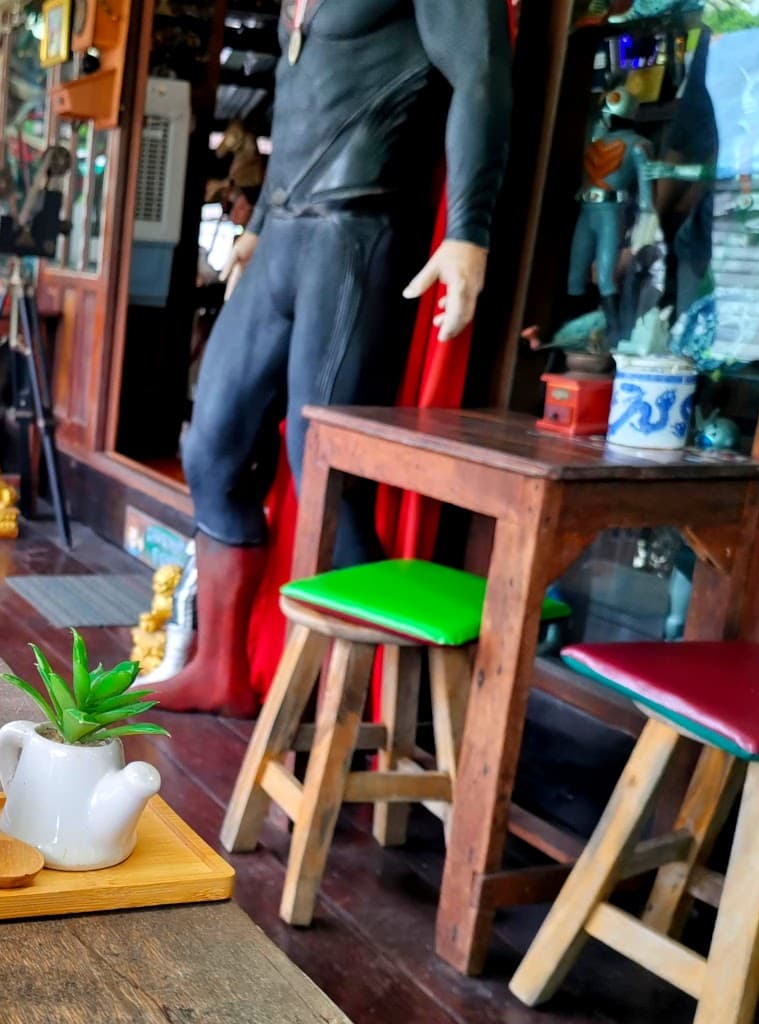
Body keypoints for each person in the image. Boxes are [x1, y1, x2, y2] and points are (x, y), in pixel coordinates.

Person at [153, 0, 512, 717]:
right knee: (212, 446)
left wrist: (469, 231)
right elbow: (303, 105)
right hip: (283, 232)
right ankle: (221, 666)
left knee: (325, 470)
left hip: (359, 232)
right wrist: (257, 222)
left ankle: (356, 711)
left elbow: (479, 75)